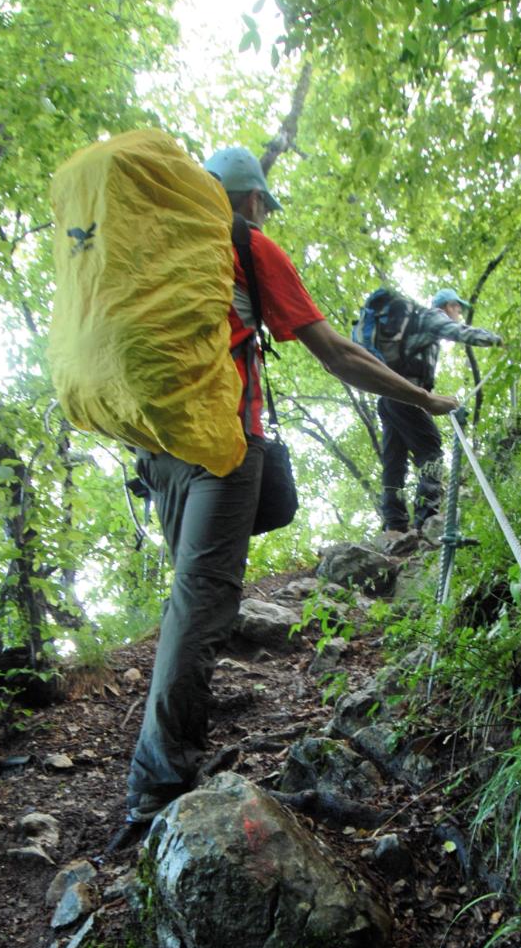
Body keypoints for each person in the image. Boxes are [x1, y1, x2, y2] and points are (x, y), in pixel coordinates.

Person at [123, 147, 459, 827]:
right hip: (219, 442)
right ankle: (157, 785)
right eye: (263, 203)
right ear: (249, 198)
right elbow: (336, 352)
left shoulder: (151, 246)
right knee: (203, 602)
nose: (263, 212)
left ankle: (166, 761)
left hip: (152, 447)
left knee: (191, 594)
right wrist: (424, 400)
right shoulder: (245, 245)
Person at [376, 287, 502, 534]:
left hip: (388, 396)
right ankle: (426, 517)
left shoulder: (414, 324)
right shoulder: (433, 316)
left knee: (394, 461)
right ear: (448, 306)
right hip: (407, 395)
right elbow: (459, 332)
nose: (459, 313)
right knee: (431, 450)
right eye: (458, 307)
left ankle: (395, 523)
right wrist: (497, 340)